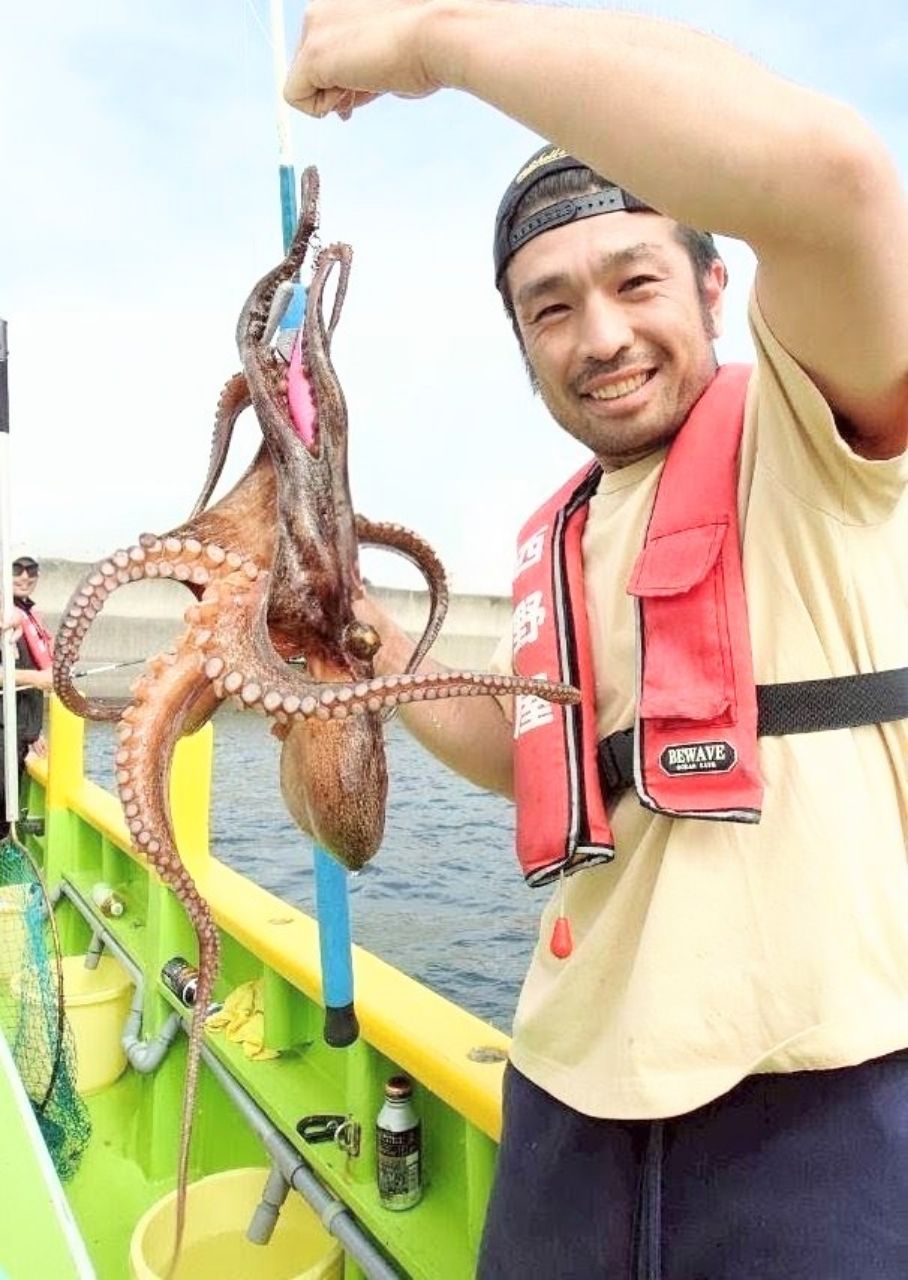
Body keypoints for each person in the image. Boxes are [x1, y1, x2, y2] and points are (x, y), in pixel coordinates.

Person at [284, 6, 908, 1276]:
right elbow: (542, 756)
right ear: (519, 337)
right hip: (564, 1095)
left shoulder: (819, 431)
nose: (602, 336)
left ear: (715, 283)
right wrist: (377, 638)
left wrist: (430, 43)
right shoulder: (562, 528)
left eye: (635, 279)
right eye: (550, 306)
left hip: (813, 1099)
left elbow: (832, 178)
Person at [0, 556, 53, 835]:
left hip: (17, 734)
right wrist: (39, 678)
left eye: (31, 570)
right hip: (3, 732)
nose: (24, 576)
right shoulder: (5, 614)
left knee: (7, 810)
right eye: (16, 570)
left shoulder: (27, 613)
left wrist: (32, 732)